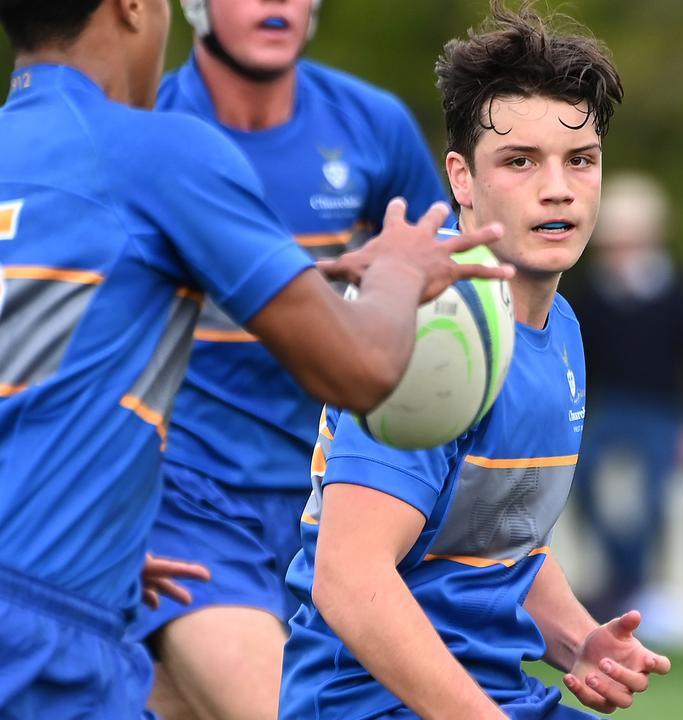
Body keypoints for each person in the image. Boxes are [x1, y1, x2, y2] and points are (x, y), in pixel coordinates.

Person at [0, 0, 509, 715]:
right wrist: (398, 271)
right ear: (136, 6)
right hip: (67, 611)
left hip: (82, 577)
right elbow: (358, 370)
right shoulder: (158, 149)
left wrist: (80, 529)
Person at [279, 3, 671, 717]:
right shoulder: (430, 335)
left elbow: (497, 540)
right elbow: (348, 576)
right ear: (462, 178)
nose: (558, 187)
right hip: (369, 704)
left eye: (580, 160)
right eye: (520, 161)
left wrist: (579, 639)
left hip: (497, 691)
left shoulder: (563, 329)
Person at [128, 1, 456, 716]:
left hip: (336, 505)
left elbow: (448, 300)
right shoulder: (145, 127)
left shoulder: (373, 126)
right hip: (184, 498)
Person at [570, 171, 683, 627]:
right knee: (579, 482)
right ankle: (622, 576)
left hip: (662, 412)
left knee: (653, 500)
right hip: (608, 409)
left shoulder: (680, 294)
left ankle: (631, 583)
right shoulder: (591, 297)